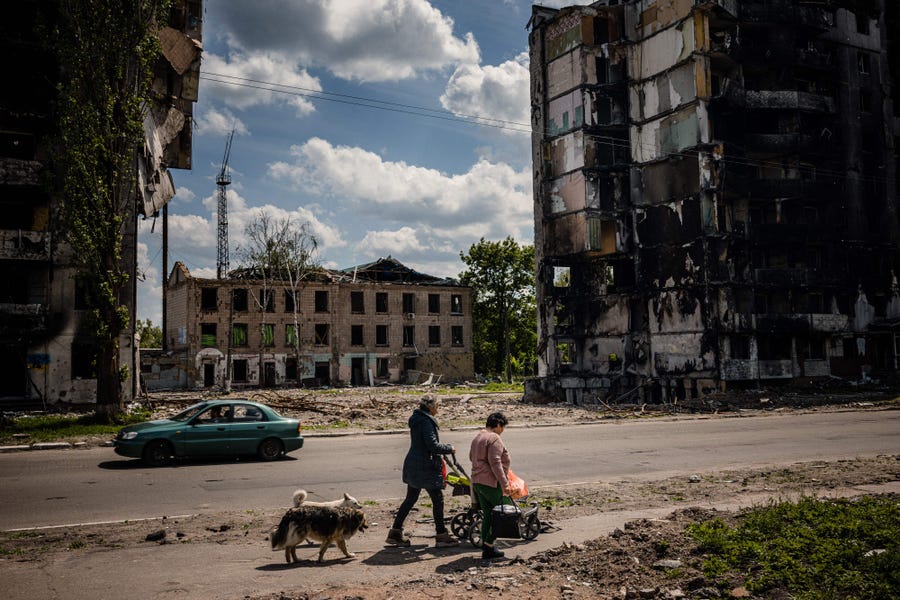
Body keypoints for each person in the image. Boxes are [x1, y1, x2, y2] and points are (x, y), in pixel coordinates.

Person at [385, 395, 460, 548]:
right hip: (425, 466)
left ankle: (395, 533)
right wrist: (449, 448)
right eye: (437, 406)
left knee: (410, 499)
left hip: (414, 463)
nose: (438, 409)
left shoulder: (416, 418)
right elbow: (432, 446)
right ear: (431, 407)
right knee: (437, 500)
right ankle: (441, 536)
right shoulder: (426, 422)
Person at [469, 412, 511, 560]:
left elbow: (470, 457)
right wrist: (505, 484)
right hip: (491, 482)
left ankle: (486, 548)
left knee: (488, 514)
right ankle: (488, 545)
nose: (503, 430)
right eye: (503, 427)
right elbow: (495, 462)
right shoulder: (494, 438)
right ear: (498, 425)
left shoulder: (478, 437)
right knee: (503, 514)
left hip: (478, 482)